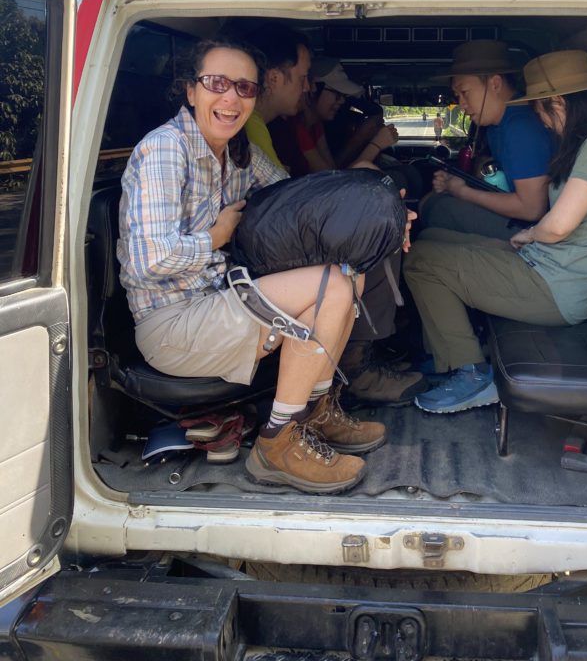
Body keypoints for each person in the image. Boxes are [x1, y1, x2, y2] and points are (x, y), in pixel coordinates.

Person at [117, 39, 398, 494]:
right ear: (191, 91)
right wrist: (215, 237)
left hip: (222, 298)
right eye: (217, 83)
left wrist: (375, 212)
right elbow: (150, 261)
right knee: (331, 286)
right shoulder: (166, 150)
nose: (231, 98)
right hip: (174, 323)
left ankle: (315, 412)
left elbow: (295, 199)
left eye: (244, 88)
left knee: (351, 273)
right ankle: (277, 444)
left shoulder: (238, 151)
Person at [404, 49, 587, 414]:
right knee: (431, 240)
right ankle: (447, 351)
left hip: (558, 287)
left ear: (558, 103)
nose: (541, 122)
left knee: (422, 262)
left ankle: (471, 372)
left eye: (541, 110)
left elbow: (558, 225)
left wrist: (529, 234)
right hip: (547, 266)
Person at [271, 57, 427, 407]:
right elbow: (329, 180)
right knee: (375, 238)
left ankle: (366, 351)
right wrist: (369, 146)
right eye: (334, 95)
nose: (339, 102)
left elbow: (333, 175)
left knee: (383, 218)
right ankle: (357, 367)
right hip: (294, 229)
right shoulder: (289, 128)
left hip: (303, 220)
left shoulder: (310, 127)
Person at [420, 40, 555, 241]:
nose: (461, 104)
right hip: (518, 219)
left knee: (437, 210)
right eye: (457, 96)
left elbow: (532, 209)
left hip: (530, 232)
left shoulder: (521, 127)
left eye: (464, 92)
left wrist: (462, 191)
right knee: (435, 203)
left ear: (495, 84)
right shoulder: (495, 124)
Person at [269, 57, 398, 178]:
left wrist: (360, 137)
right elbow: (331, 183)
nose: (341, 101)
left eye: (343, 96)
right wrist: (375, 145)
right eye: (336, 94)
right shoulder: (294, 128)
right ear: (312, 88)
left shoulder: (315, 126)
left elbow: (332, 171)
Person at [241, 22, 312, 168]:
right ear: (273, 79)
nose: (307, 88)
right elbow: (284, 191)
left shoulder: (259, 124)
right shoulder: (251, 127)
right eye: (302, 78)